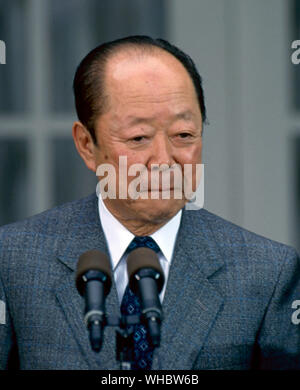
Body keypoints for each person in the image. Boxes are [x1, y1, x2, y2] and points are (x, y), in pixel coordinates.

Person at [0, 35, 300, 370]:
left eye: (184, 135)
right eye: (138, 138)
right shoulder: (14, 261)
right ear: (87, 145)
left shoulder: (266, 272)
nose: (163, 161)